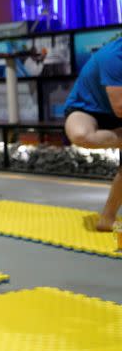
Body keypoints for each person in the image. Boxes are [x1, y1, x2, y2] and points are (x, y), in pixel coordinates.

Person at [63, 36, 122, 232]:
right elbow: (120, 107)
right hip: (89, 110)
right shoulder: (113, 56)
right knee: (81, 135)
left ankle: (108, 217)